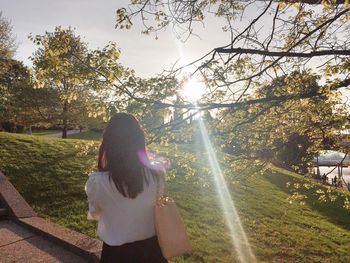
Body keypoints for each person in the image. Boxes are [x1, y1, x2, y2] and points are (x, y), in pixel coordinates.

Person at [85, 113, 167, 263]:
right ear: (139, 140)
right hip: (152, 252)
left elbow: (94, 214)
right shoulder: (157, 175)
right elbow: (154, 206)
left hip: (116, 255)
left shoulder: (98, 182)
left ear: (109, 142)